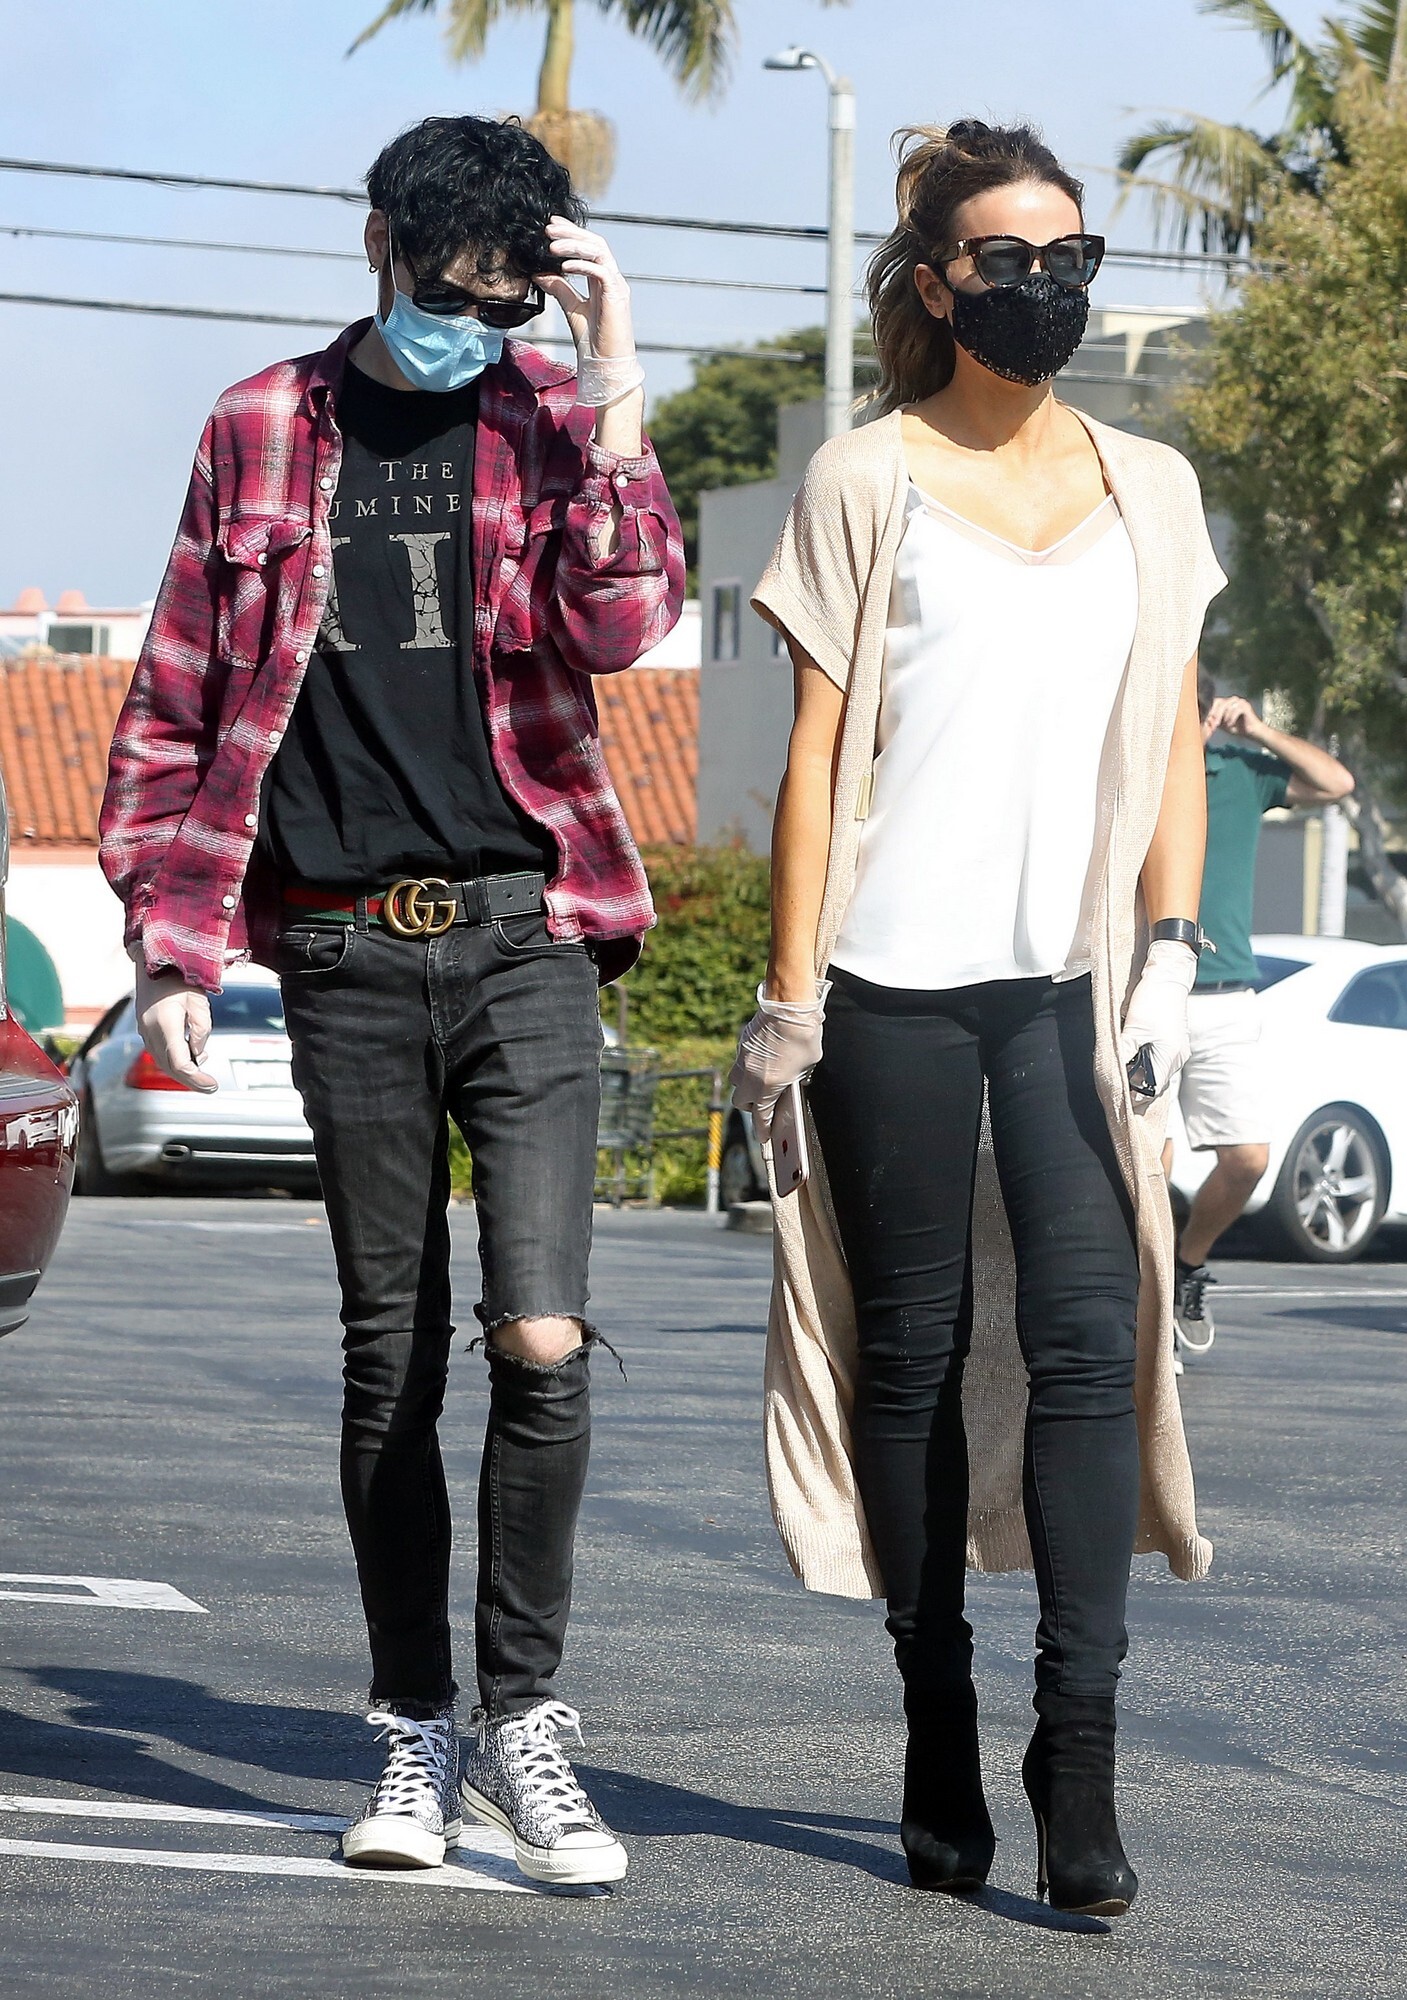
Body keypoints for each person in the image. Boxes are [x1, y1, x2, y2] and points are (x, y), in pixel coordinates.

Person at [99, 115, 683, 1888]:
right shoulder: (262, 425)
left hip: (526, 935)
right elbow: (178, 694)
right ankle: (414, 1730)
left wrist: (617, 382)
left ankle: (526, 1725)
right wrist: (170, 943)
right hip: (346, 949)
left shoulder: (554, 413)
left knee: (542, 1337)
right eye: (450, 291)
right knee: (392, 1356)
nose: (471, 328)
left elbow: (627, 625)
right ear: (381, 247)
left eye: (508, 300)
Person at [729, 119, 1222, 1919]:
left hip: (1072, 985)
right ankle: (935, 1721)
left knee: (1095, 1341)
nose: (1046, 287)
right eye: (1010, 260)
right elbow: (812, 759)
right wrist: (789, 999)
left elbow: (1173, 730)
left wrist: (1177, 946)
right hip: (888, 986)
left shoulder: (1149, 486)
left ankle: (1075, 1758)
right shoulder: (865, 477)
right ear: (937, 285)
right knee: (915, 1354)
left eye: (1071, 257)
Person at [1167, 679, 1353, 1359]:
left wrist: (1261, 731)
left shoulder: (1241, 770)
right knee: (1148, 1161)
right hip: (1145, 990)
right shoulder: (1131, 766)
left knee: (1247, 1159)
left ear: (1209, 716)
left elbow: (1336, 783)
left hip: (1226, 998)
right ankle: (1141, 1310)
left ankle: (1185, 1265)